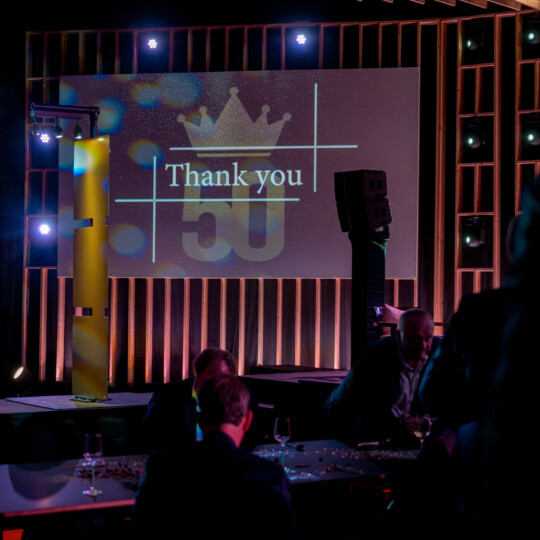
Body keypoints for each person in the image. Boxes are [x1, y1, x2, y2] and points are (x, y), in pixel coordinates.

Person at [130, 374, 296, 540]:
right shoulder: (271, 476)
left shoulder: (161, 466)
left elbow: (139, 532)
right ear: (247, 421)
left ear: (198, 417)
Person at [323, 308, 439, 447]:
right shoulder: (375, 357)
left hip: (403, 436)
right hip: (353, 425)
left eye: (427, 339)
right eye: (415, 338)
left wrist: (420, 422)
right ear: (398, 336)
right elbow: (354, 410)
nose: (422, 345)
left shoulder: (439, 353)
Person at [138, 347, 237, 452]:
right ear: (198, 374)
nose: (217, 382)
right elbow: (147, 435)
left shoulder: (240, 397)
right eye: (211, 376)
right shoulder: (167, 395)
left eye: (224, 377)